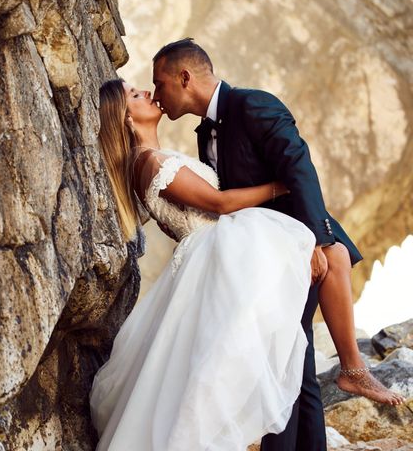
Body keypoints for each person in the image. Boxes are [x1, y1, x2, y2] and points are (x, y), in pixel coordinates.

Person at [150, 38, 404, 449]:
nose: (157, 94)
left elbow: (299, 169)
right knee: (294, 359)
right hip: (257, 254)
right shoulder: (204, 133)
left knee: (283, 357)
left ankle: (352, 371)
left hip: (293, 249)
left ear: (185, 78)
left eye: (160, 84)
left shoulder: (253, 105)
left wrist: (316, 243)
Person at [90, 78, 315, 450]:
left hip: (214, 258)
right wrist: (281, 186)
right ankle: (352, 370)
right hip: (215, 257)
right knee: (212, 377)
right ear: (126, 118)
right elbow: (220, 203)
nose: (146, 92)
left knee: (207, 372)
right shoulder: (151, 162)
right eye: (135, 95)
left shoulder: (151, 160)